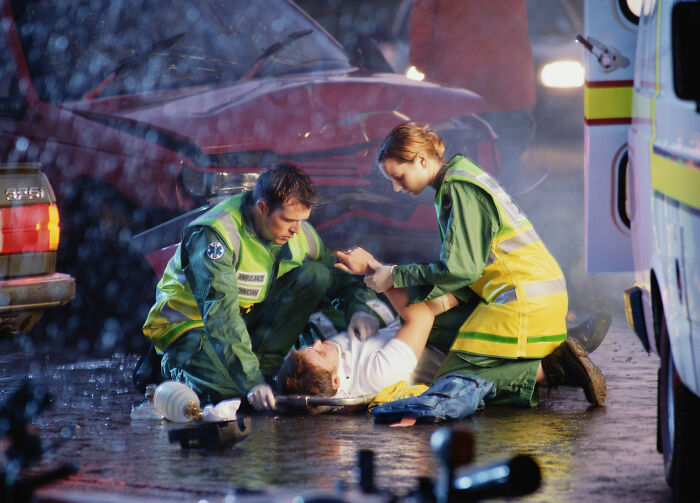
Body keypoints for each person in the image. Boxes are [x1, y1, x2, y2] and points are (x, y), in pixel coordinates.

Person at [332, 123, 607, 407]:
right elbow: (470, 268)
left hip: (522, 301)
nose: (397, 188)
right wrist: (398, 281)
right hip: (531, 294)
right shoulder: (460, 176)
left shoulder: (459, 190)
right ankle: (552, 353)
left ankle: (554, 368)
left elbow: (461, 270)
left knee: (452, 380)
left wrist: (394, 275)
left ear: (421, 160)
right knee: (438, 329)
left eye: (399, 177)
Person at [141, 164, 391, 411]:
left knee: (314, 275)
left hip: (243, 319)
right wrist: (250, 382)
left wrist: (358, 310)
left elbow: (338, 277)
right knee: (233, 389)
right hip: (189, 328)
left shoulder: (299, 234)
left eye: (302, 221)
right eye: (289, 220)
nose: (296, 230)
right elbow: (221, 316)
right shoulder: (215, 237)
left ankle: (263, 370)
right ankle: (172, 367)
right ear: (262, 208)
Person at [409, 0, 539, 190]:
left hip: (458, 88)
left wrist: (425, 68)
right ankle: (508, 209)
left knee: (458, 165)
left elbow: (422, 25)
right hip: (510, 86)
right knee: (507, 162)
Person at [277, 289, 460, 398]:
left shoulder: (331, 362)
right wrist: (382, 276)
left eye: (309, 347)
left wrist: (359, 312)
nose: (318, 343)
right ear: (335, 381)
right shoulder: (376, 376)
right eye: (320, 352)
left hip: (410, 322)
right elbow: (422, 318)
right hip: (446, 337)